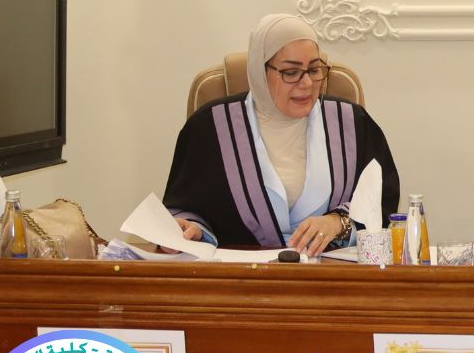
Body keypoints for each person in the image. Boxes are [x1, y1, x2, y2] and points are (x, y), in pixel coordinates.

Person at [163, 13, 399, 255]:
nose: (306, 83)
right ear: (259, 71)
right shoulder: (211, 127)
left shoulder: (351, 123)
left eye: (314, 69)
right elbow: (185, 209)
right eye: (291, 72)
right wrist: (190, 229)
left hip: (330, 271)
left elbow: (382, 201)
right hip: (241, 273)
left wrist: (338, 223)